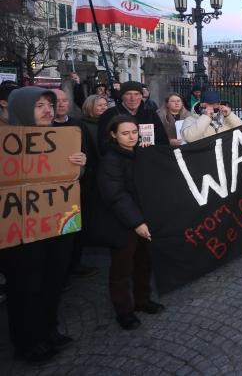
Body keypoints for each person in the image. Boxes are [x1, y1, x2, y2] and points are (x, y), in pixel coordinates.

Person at [0, 87, 86, 363]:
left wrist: (79, 164)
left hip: (57, 224)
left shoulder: (63, 138)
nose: (48, 110)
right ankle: (27, 342)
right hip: (21, 232)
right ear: (23, 109)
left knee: (53, 281)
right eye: (39, 106)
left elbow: (70, 177)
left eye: (49, 104)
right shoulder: (6, 143)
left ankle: (48, 330)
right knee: (25, 287)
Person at [96, 114, 165, 330]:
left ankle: (143, 300)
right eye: (125, 133)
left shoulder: (140, 154)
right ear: (114, 135)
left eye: (134, 132)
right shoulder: (110, 160)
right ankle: (124, 311)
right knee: (122, 269)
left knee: (144, 263)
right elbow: (116, 195)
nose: (131, 137)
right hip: (122, 223)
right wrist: (137, 222)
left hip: (144, 218)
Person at [52, 89, 99, 278]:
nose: (62, 104)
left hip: (78, 186)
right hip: (53, 190)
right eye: (57, 101)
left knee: (77, 226)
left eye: (64, 100)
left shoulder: (77, 125)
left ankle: (75, 263)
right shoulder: (42, 127)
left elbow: (88, 152)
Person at [97, 81, 168, 153]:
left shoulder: (151, 114)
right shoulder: (109, 114)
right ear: (122, 96)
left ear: (141, 96)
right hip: (121, 160)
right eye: (128, 94)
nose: (133, 98)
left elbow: (163, 140)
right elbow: (104, 143)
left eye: (137, 94)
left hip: (148, 158)